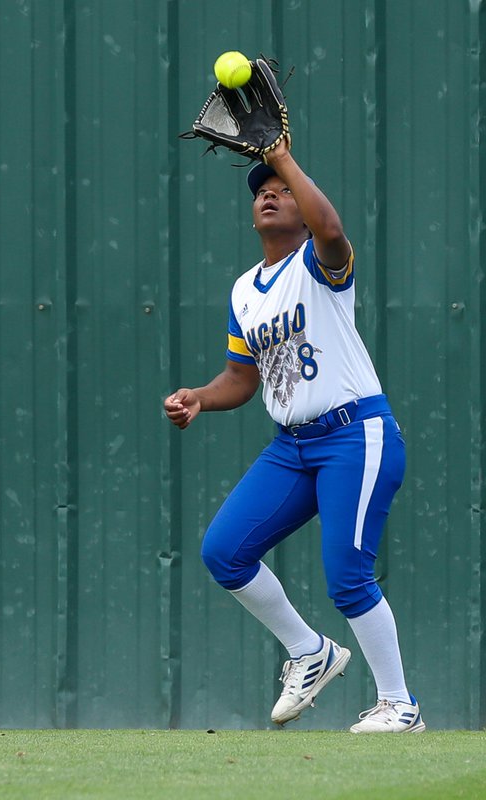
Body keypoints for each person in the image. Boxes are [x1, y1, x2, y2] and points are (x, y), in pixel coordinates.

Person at [163, 139, 423, 733]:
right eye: (261, 192)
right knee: (225, 552)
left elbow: (330, 227)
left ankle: (399, 705)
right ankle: (311, 652)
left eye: (281, 191)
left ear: (304, 211)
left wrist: (282, 158)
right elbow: (240, 377)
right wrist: (201, 397)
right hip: (294, 446)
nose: (270, 196)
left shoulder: (318, 262)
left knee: (346, 576)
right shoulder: (243, 291)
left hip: (355, 433)